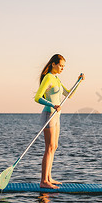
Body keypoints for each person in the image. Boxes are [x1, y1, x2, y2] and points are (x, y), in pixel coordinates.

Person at [34, 54, 84, 188]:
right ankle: (43, 181)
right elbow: (37, 97)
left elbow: (69, 94)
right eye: (60, 65)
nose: (62, 68)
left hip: (57, 115)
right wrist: (52, 105)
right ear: (53, 64)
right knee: (49, 148)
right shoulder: (48, 78)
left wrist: (78, 82)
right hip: (48, 114)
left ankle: (49, 177)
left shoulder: (57, 79)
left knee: (54, 147)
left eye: (63, 66)